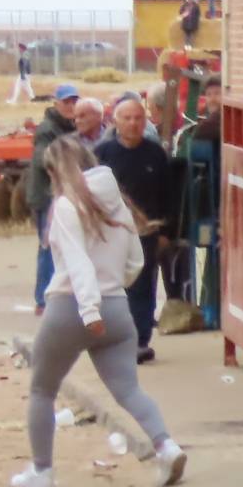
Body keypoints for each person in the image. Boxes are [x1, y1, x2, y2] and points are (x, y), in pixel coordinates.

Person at [9, 136, 186, 487]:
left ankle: (42, 471)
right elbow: (136, 260)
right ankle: (167, 447)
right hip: (117, 306)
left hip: (72, 306)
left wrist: (89, 309)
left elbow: (77, 263)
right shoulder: (117, 203)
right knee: (128, 389)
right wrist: (112, 288)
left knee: (43, 389)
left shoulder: (66, 205)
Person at [96, 96, 172, 363]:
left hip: (146, 234)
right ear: (116, 121)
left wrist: (166, 233)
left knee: (143, 287)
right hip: (111, 234)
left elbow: (169, 196)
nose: (133, 123)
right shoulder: (102, 154)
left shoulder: (155, 154)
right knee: (114, 289)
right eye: (127, 118)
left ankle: (139, 341)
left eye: (138, 118)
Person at [25, 85, 82, 312]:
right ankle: (43, 300)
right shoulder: (47, 129)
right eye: (66, 102)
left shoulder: (69, 126)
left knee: (62, 248)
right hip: (47, 197)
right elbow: (43, 160)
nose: (71, 106)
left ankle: (60, 296)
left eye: (74, 101)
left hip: (63, 195)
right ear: (56, 104)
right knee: (49, 247)